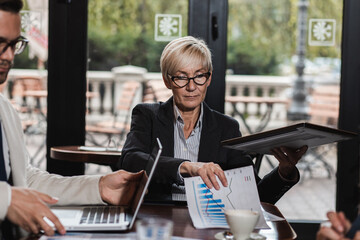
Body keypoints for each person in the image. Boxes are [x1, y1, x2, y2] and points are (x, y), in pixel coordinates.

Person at [0, 0, 144, 237]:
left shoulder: (6, 111)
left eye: (14, 44)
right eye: (0, 43)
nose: (8, 56)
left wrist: (99, 187)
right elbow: (13, 194)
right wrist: (7, 199)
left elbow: (25, 180)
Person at [117, 35, 308, 204]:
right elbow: (130, 160)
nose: (192, 87)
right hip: (158, 217)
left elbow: (255, 195)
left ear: (208, 79)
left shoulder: (227, 128)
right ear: (167, 80)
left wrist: (284, 171)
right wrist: (186, 167)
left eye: (199, 76)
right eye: (182, 77)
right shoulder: (147, 115)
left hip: (210, 222)